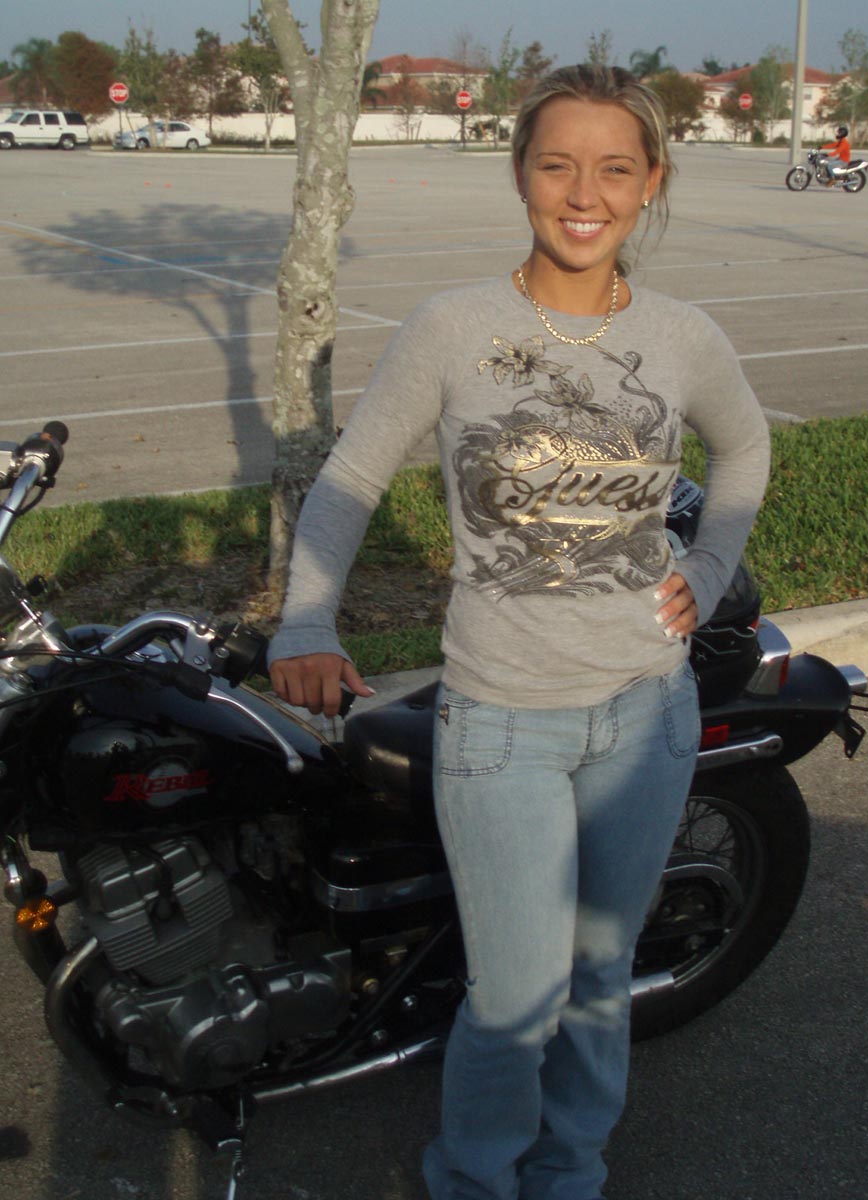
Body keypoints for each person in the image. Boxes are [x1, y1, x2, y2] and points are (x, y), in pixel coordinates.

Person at [269, 63, 770, 1200]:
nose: (584, 194)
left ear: (652, 182)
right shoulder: (455, 327)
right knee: (514, 998)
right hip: (502, 724)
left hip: (648, 713)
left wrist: (706, 567)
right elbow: (352, 475)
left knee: (599, 980)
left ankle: (571, 1171)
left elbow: (745, 446)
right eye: (558, 166)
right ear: (520, 174)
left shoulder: (683, 337)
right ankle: (475, 1180)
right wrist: (306, 618)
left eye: (615, 169)